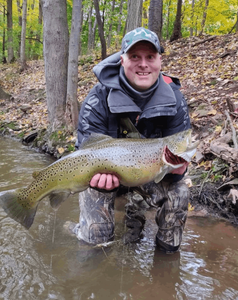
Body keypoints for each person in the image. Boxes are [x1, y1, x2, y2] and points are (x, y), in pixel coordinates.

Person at [70, 27, 191, 253]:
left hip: (152, 171)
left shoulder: (175, 98)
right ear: (122, 60)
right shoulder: (98, 98)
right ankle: (90, 249)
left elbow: (181, 154)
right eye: (135, 56)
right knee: (94, 243)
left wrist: (179, 168)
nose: (143, 64)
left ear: (160, 61)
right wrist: (97, 177)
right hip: (104, 173)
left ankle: (166, 260)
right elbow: (84, 151)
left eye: (150, 57)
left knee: (180, 191)